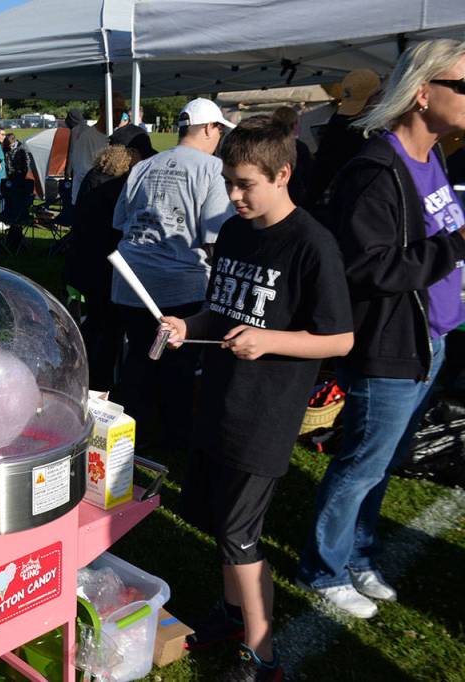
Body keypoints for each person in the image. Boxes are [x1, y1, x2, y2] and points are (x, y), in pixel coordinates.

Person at [162, 116, 354, 682]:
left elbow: (340, 337)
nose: (235, 195)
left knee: (242, 533)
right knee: (222, 522)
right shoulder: (238, 232)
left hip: (266, 413)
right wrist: (185, 324)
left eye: (246, 183)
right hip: (220, 397)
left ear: (283, 174)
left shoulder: (313, 245)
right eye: (229, 182)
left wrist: (268, 340)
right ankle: (230, 615)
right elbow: (221, 309)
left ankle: (264, 653)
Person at [297, 39, 465, 619]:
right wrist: (454, 248)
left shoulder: (433, 158)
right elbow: (366, 267)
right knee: (361, 464)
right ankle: (324, 568)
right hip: (389, 344)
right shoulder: (375, 170)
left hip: (430, 340)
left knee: (384, 461)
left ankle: (359, 555)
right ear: (423, 93)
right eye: (462, 86)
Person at [110, 97, 235, 449]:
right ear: (209, 128)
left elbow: (120, 220)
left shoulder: (145, 166)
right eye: (219, 130)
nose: (220, 137)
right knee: (177, 365)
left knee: (139, 356)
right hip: (180, 285)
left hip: (131, 279)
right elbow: (215, 234)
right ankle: (174, 437)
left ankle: (132, 432)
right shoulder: (211, 169)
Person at [64, 143, 141, 390]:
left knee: (92, 320)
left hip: (83, 259)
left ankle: (80, 369)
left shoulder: (92, 177)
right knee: (107, 326)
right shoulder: (117, 187)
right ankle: (99, 380)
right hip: (106, 263)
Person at [303, 69, 382, 212]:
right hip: (340, 207)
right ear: (375, 96)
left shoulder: (338, 119)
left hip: (322, 202)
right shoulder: (358, 128)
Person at [270, 106, 314, 207]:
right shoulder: (299, 147)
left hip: (274, 194)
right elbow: (309, 175)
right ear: (294, 125)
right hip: (295, 196)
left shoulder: (267, 145)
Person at [65, 108, 108, 207]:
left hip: (80, 169)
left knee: (77, 198)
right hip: (92, 168)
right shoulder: (89, 129)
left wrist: (68, 171)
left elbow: (72, 151)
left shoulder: (76, 130)